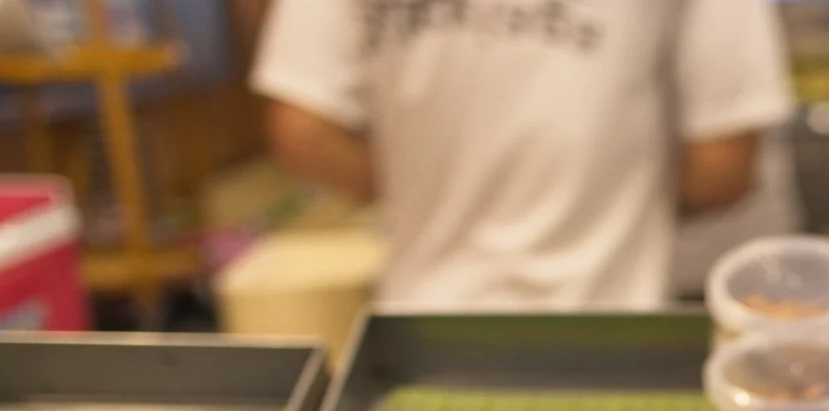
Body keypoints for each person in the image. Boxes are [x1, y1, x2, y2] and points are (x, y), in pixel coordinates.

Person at [250, 0, 796, 310]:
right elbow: (724, 163)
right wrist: (607, 183)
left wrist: (434, 182)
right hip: (605, 333)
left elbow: (302, 130)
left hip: (420, 335)